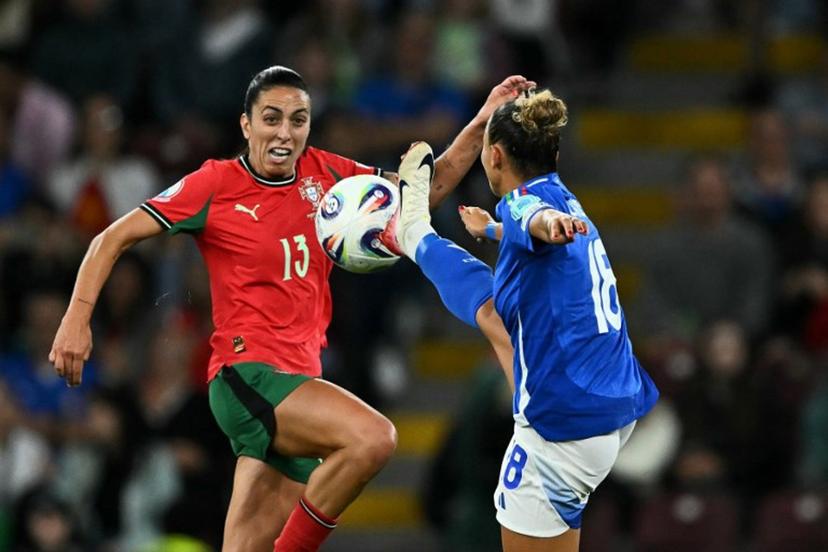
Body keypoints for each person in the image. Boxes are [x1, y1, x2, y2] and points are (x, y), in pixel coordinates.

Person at [48, 65, 535, 552]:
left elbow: (424, 192)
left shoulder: (329, 176)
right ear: (246, 124)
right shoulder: (213, 183)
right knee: (373, 438)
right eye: (272, 118)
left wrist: (483, 120)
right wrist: (77, 318)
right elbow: (112, 237)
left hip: (300, 381)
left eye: (298, 120)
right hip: (248, 376)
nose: (285, 132)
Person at [392, 88, 658, 551]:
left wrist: (543, 224)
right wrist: (492, 232)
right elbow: (535, 221)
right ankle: (416, 232)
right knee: (496, 310)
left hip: (564, 427)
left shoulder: (525, 205)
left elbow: (533, 216)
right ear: (552, 152)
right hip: (615, 401)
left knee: (499, 309)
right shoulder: (566, 199)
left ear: (494, 157)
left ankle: (413, 229)